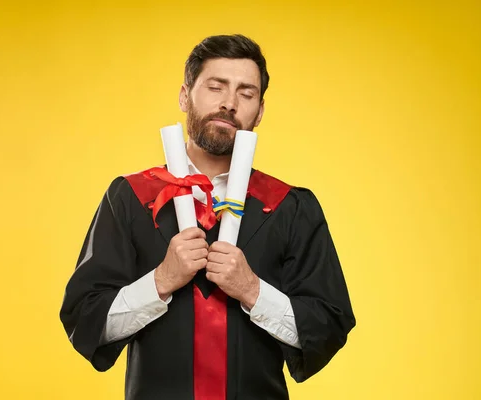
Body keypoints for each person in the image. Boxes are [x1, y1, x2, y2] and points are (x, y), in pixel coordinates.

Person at [59, 34, 356, 400]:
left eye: (246, 94)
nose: (229, 103)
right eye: (216, 87)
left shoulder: (290, 207)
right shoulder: (131, 197)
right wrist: (161, 280)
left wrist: (252, 290)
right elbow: (85, 321)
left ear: (259, 111)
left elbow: (328, 328)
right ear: (185, 96)